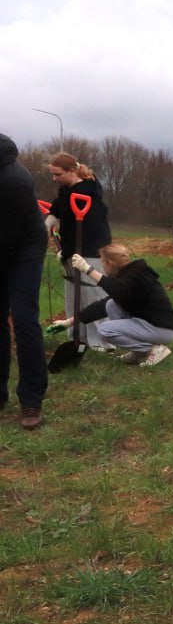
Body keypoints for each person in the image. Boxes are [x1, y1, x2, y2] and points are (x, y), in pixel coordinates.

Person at [52, 244, 173, 367]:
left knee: (105, 330)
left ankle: (151, 349)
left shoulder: (135, 278)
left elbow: (118, 290)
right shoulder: (130, 275)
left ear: (110, 264)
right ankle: (139, 353)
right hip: (150, 325)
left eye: (102, 262)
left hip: (162, 329)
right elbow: (103, 305)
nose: (102, 265)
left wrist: (88, 270)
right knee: (111, 305)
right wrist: (69, 322)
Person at [0, 133, 48, 430]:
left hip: (24, 248)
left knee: (24, 318)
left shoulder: (13, 180)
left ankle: (31, 398)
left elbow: (5, 237)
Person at [45, 152, 112, 351]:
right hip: (72, 251)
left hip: (90, 251)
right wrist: (50, 219)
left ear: (72, 171)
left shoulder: (88, 194)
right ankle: (78, 337)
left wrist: (66, 251)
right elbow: (58, 207)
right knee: (73, 295)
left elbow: (87, 230)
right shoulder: (67, 190)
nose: (54, 178)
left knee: (93, 295)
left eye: (58, 174)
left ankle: (102, 341)